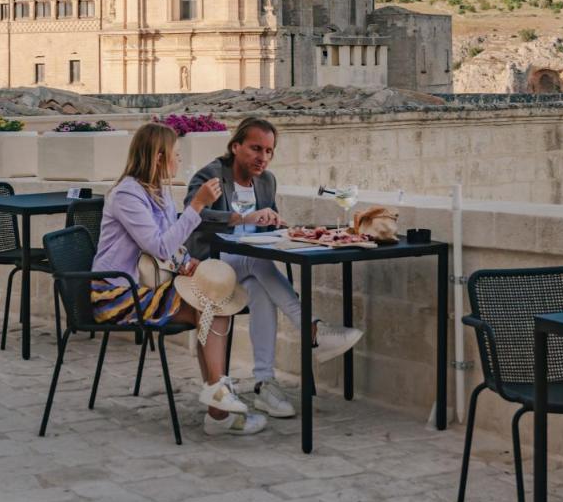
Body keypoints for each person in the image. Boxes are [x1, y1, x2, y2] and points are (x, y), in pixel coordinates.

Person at [92, 122, 266, 436]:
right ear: (159, 157)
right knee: (209, 304)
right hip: (118, 293)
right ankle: (217, 405)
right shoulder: (126, 195)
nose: (179, 160)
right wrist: (197, 205)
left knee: (215, 302)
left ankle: (217, 400)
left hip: (147, 287)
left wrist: (187, 262)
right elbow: (158, 246)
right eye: (175, 154)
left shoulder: (159, 192)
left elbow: (169, 246)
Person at [185, 117, 363, 418]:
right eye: (256, 149)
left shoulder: (267, 181)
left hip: (249, 269)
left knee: (260, 288)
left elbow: (270, 220)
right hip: (212, 267)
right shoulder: (212, 174)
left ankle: (264, 383)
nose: (262, 158)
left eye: (269, 151)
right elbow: (194, 214)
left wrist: (275, 222)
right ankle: (312, 328)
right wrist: (243, 219)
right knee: (257, 259)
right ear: (236, 146)